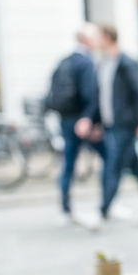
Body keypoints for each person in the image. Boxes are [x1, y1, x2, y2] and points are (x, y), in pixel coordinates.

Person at [76, 24, 138, 223]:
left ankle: (102, 212)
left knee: (112, 167)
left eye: (98, 36)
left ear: (107, 38)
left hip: (126, 125)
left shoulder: (125, 63)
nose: (95, 41)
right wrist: (93, 121)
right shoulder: (104, 64)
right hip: (111, 125)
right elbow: (100, 97)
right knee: (135, 168)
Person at [47, 25, 106, 222]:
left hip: (65, 118)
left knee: (68, 162)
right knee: (108, 157)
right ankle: (106, 203)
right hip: (82, 120)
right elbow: (91, 94)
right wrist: (90, 119)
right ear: (86, 39)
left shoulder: (65, 60)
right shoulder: (86, 62)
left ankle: (65, 208)